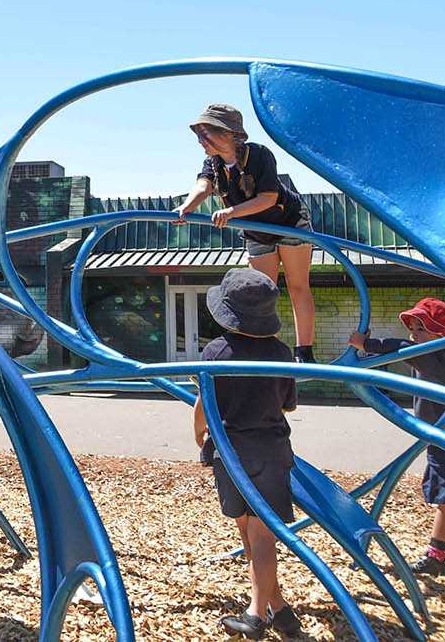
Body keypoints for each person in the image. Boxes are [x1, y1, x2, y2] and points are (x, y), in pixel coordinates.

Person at [349, 298, 445, 590]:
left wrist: (365, 343)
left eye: (421, 329)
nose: (413, 335)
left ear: (442, 336)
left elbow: (399, 347)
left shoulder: (434, 357)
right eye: (414, 328)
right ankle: (436, 557)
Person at [192, 269, 303, 639]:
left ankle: (255, 615)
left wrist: (198, 434)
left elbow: (204, 403)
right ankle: (278, 608)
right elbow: (287, 405)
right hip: (269, 450)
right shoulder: (282, 353)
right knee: (259, 533)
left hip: (228, 451)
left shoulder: (215, 352)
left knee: (250, 531)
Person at [173, 104, 317, 363]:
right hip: (256, 230)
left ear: (228, 133)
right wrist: (186, 208)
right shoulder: (213, 162)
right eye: (198, 135)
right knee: (261, 291)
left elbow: (268, 198)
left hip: (288, 221)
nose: (200, 141)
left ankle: (304, 352)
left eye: (205, 134)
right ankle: (265, 351)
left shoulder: (259, 154)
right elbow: (203, 186)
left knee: (297, 286)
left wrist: (230, 212)